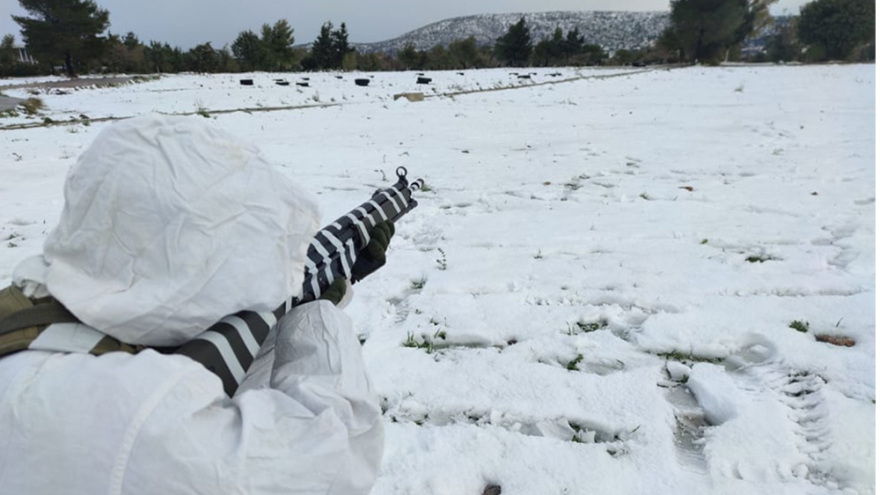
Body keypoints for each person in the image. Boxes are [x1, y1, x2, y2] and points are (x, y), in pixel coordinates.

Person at [0, 115, 384, 494]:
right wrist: (315, 318)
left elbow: (210, 370)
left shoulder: (33, 310)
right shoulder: (136, 416)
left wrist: (322, 288)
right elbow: (337, 453)